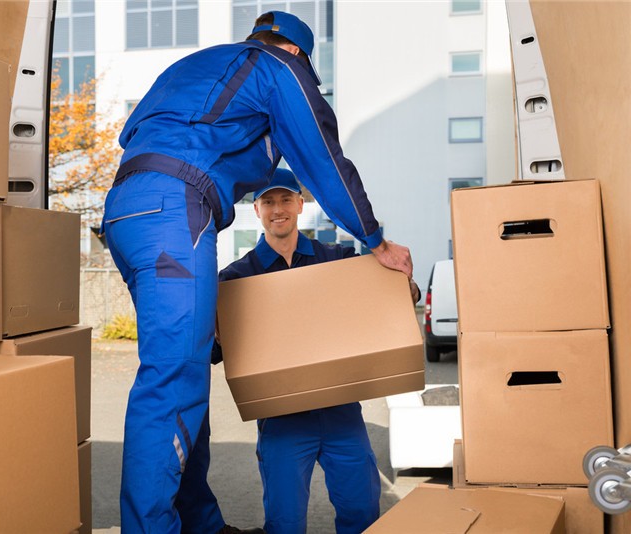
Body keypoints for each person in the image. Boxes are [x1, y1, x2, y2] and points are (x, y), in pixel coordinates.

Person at [100, 10, 414, 534]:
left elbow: (138, 137)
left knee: (184, 367)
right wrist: (374, 238)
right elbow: (322, 156)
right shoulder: (276, 67)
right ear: (298, 54)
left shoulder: (198, 66)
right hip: (176, 208)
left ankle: (200, 523)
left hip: (127, 212)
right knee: (172, 379)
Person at [213, 169, 420, 533]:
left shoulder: (336, 259)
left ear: (300, 204)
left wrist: (407, 288)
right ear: (257, 209)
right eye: (269, 202)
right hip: (282, 421)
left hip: (342, 413)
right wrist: (213, 330)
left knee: (362, 513)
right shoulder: (235, 280)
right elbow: (216, 352)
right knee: (285, 523)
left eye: (286, 200)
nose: (278, 209)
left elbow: (382, 297)